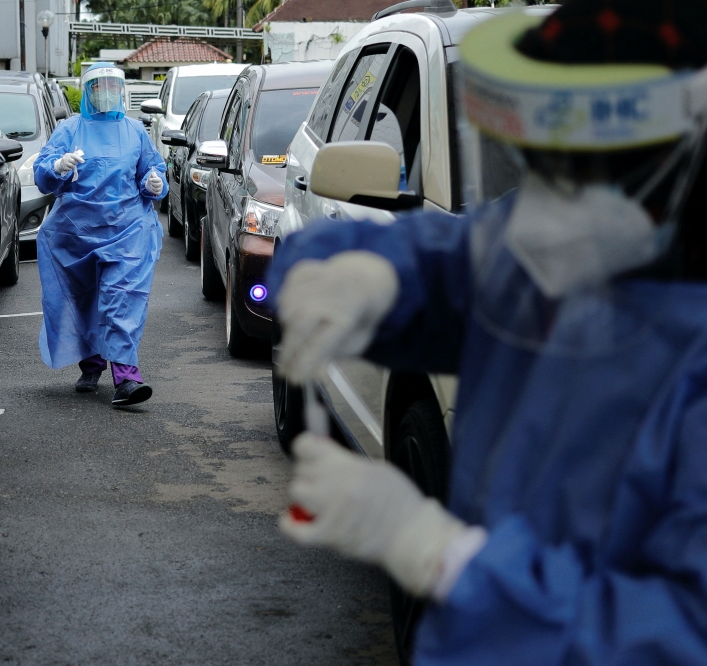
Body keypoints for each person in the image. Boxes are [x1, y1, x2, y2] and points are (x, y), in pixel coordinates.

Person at [269, 1, 707, 663]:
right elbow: (448, 259)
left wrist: (441, 557)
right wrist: (359, 278)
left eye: (586, 162)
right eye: (541, 160)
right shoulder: (563, 241)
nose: (550, 196)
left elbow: (674, 634)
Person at [34, 63, 167, 407]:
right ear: (88, 90)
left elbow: (153, 170)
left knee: (119, 298)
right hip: (76, 232)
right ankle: (91, 364)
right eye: (99, 85)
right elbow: (43, 174)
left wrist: (154, 183)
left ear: (121, 90)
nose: (106, 91)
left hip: (128, 231)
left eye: (113, 85)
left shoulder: (135, 130)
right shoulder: (70, 129)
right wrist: (58, 167)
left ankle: (126, 378)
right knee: (85, 298)